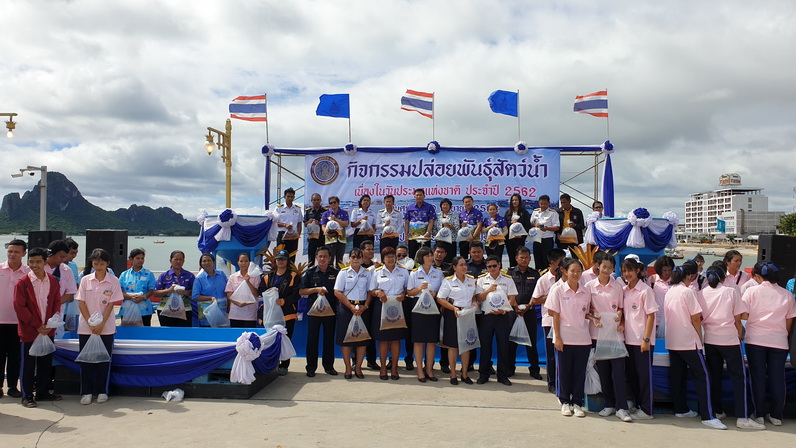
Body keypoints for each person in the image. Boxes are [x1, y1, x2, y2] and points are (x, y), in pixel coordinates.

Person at [697, 266, 764, 430]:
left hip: (710, 340)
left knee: (714, 376)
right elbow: (738, 318)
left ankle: (717, 410)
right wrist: (740, 334)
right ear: (723, 278)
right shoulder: (730, 292)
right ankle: (742, 416)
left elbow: (699, 317)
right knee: (739, 378)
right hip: (729, 340)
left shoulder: (701, 294)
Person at [664, 261, 726, 430]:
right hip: (687, 340)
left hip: (673, 340)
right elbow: (696, 318)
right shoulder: (688, 292)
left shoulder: (670, 291)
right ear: (690, 277)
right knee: (703, 376)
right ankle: (708, 415)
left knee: (677, 375)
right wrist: (700, 339)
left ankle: (680, 409)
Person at [742, 262, 796, 427]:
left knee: (757, 378)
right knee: (778, 379)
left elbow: (744, 315)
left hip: (755, 340)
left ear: (758, 276)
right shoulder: (787, 295)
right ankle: (776, 415)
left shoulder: (751, 291)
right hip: (779, 341)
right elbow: (789, 321)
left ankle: (758, 414)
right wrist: (783, 335)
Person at [586, 256, 631, 422]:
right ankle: (609, 404)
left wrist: (619, 316)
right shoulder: (589, 286)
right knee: (604, 372)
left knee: (618, 372)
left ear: (613, 269)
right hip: (597, 334)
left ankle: (622, 407)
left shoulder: (618, 287)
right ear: (598, 266)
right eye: (604, 267)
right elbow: (587, 308)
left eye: (610, 268)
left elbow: (621, 308)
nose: (606, 270)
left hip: (614, 335)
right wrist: (594, 314)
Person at [13, 247, 61, 408]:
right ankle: (27, 395)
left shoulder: (52, 280)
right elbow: (19, 307)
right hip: (29, 330)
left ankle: (42, 392)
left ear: (45, 262)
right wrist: (37, 325)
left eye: (38, 262)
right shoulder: (23, 282)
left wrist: (50, 323)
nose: (34, 265)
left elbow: (56, 302)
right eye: (31, 262)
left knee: (45, 362)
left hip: (48, 329)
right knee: (28, 364)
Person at [75, 249, 123, 405]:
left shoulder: (113, 281)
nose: (98, 266)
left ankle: (102, 390)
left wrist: (101, 324)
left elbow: (111, 304)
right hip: (86, 327)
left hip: (106, 327)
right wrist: (90, 322)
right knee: (86, 360)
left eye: (102, 263)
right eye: (95, 263)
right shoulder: (85, 280)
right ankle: (86, 392)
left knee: (104, 360)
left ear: (107, 264)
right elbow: (81, 302)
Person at [547, 258, 591, 417]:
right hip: (564, 338)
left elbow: (586, 312)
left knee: (579, 373)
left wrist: (594, 318)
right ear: (565, 271)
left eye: (579, 271)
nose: (576, 274)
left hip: (583, 338)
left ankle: (577, 403)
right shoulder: (558, 290)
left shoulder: (586, 291)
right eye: (573, 271)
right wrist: (558, 337)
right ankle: (565, 401)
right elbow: (555, 315)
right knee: (564, 372)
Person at [620, 257, 658, 421]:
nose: (627, 274)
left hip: (642, 341)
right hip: (628, 340)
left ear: (637, 271)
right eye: (624, 271)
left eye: (630, 270)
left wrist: (646, 339)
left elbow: (651, 316)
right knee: (632, 375)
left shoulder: (645, 290)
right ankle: (638, 405)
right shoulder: (624, 290)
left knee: (644, 376)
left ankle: (647, 410)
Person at [475, 255, 518, 386]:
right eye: (489, 266)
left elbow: (512, 299)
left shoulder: (508, 279)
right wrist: (488, 290)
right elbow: (478, 298)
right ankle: (484, 374)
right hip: (487, 317)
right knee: (485, 347)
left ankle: (502, 375)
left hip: (502, 316)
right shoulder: (482, 280)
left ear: (499, 265)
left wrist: (504, 310)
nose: (492, 268)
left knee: (503, 346)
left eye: (494, 265)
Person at [369, 247, 410, 380]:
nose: (391, 259)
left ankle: (394, 368)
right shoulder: (377, 272)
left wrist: (404, 294)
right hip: (382, 306)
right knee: (383, 340)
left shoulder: (403, 271)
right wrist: (378, 292)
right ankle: (382, 368)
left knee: (395, 339)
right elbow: (371, 290)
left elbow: (408, 288)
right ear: (383, 259)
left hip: (398, 307)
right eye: (388, 257)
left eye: (393, 256)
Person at [258, 249, 300, 375]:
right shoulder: (267, 276)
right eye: (278, 259)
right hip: (270, 314)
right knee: (270, 341)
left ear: (287, 261)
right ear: (275, 261)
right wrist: (270, 293)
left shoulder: (293, 276)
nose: (281, 261)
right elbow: (260, 292)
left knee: (285, 340)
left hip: (287, 314)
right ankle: (272, 364)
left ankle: (284, 365)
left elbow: (296, 294)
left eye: (283, 259)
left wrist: (284, 301)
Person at [437, 256, 477, 385]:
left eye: (465, 264)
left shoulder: (471, 280)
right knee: (453, 345)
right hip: (453, 314)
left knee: (466, 345)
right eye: (461, 265)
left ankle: (464, 374)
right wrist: (453, 308)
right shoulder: (448, 281)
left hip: (467, 314)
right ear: (454, 267)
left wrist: (474, 302)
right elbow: (440, 298)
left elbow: (474, 296)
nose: (464, 267)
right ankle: (453, 374)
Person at [299, 246, 339, 377]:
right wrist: (316, 290)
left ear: (330, 258)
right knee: (312, 339)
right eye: (320, 256)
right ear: (316, 257)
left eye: (325, 256)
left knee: (329, 339)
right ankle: (311, 368)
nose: (322, 259)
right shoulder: (310, 273)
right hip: (314, 312)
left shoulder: (336, 273)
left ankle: (329, 367)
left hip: (330, 312)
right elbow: (302, 291)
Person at [334, 248, 372, 379]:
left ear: (362, 259)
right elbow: (337, 291)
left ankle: (359, 368)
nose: (356, 259)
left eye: (358, 257)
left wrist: (365, 306)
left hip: (362, 309)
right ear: (349, 258)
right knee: (346, 340)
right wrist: (350, 306)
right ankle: (348, 368)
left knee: (362, 340)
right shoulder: (343, 273)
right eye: (353, 257)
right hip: (347, 308)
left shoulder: (367, 273)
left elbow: (370, 291)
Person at [406, 247, 443, 382]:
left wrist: (435, 294)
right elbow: (409, 292)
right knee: (419, 341)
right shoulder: (414, 273)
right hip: (418, 307)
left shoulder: (438, 273)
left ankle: (429, 369)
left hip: (433, 307)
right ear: (421, 258)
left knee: (432, 341)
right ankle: (420, 371)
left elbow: (443, 291)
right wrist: (419, 289)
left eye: (431, 255)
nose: (430, 258)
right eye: (427, 256)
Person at [534, 248, 566, 393]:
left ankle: (564, 382)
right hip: (549, 321)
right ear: (552, 262)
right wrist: (552, 296)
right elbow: (535, 300)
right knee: (552, 355)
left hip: (566, 321)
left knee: (564, 354)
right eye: (561, 262)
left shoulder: (568, 278)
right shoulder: (543, 280)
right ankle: (552, 383)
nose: (564, 264)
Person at [506, 246, 542, 380]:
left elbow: (537, 293)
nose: (524, 260)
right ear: (516, 258)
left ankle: (534, 370)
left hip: (529, 312)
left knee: (531, 343)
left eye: (526, 257)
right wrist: (515, 306)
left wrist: (529, 305)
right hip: (513, 312)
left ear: (530, 258)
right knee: (511, 343)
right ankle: (510, 368)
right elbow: (507, 292)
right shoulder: (510, 273)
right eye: (521, 257)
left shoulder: (535, 274)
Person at [1, 239, 29, 399]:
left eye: (16, 252)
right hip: (0, 320)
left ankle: (12, 386)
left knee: (15, 356)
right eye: (10, 251)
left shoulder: (28, 273)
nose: (12, 255)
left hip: (19, 322)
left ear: (24, 254)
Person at [153, 251, 194, 327]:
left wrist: (184, 292)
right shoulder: (164, 276)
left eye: (180, 259)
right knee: (167, 332)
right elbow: (155, 293)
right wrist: (168, 291)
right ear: (170, 261)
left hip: (184, 310)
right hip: (166, 311)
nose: (178, 261)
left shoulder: (190, 276)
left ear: (183, 261)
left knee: (184, 332)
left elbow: (194, 292)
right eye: (176, 259)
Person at [118, 248, 157, 326]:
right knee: (127, 331)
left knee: (144, 331)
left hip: (144, 310)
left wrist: (143, 297)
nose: (140, 260)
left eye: (142, 258)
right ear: (131, 259)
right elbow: (119, 291)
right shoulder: (124, 275)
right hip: (127, 309)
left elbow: (151, 290)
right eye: (138, 258)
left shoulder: (149, 274)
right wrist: (130, 297)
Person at [192, 253, 229, 327]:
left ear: (214, 262)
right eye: (204, 261)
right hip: (207, 315)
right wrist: (209, 298)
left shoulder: (221, 274)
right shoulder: (199, 279)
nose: (207, 263)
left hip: (223, 313)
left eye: (209, 260)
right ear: (201, 264)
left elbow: (228, 290)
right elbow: (195, 296)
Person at [225, 253, 261, 328]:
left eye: (246, 261)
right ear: (238, 263)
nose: (243, 263)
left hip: (250, 314)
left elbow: (256, 294)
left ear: (249, 263)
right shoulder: (233, 277)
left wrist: (248, 282)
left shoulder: (255, 277)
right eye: (241, 261)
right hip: (235, 314)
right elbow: (229, 294)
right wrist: (238, 303)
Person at [530, 195, 560, 271]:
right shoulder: (535, 211)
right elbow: (531, 223)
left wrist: (546, 228)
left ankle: (547, 275)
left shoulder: (553, 213)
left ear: (549, 203)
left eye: (545, 204)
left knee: (547, 261)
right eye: (541, 204)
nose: (543, 205)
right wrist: (535, 225)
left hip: (547, 239)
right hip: (537, 238)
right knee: (537, 260)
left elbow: (557, 227)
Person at [404, 188, 436, 258]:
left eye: (420, 195)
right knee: (412, 255)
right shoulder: (409, 207)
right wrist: (406, 235)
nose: (419, 197)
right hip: (412, 237)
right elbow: (406, 222)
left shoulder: (429, 207)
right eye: (417, 195)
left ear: (424, 196)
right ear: (414, 196)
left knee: (425, 255)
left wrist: (427, 232)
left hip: (425, 236)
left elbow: (431, 221)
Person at [649, 255, 675, 339]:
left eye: (669, 270)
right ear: (659, 269)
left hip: (672, 320)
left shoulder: (675, 280)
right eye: (664, 270)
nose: (667, 273)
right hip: (655, 320)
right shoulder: (652, 280)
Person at [275, 187, 303, 263]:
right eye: (288, 196)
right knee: (281, 256)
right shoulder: (279, 208)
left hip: (293, 236)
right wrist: (284, 225)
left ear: (294, 197)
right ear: (284, 197)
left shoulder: (297, 209)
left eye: (292, 197)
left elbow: (299, 223)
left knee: (292, 257)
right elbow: (275, 223)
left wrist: (298, 235)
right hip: (282, 235)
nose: (290, 198)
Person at [321, 196, 349, 267]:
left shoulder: (344, 213)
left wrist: (335, 219)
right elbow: (323, 226)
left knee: (339, 260)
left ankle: (339, 273)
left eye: (334, 202)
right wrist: (326, 232)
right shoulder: (326, 214)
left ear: (338, 203)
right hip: (330, 239)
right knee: (329, 260)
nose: (333, 204)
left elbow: (346, 224)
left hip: (341, 239)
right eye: (331, 203)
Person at [504, 194, 532, 268]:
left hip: (519, 239)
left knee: (520, 257)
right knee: (511, 257)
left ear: (519, 201)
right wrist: (510, 222)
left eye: (516, 200)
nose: (514, 202)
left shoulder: (524, 212)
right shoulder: (508, 212)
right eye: (513, 200)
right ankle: (512, 272)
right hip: (509, 239)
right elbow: (504, 225)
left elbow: (528, 226)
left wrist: (522, 235)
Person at [432, 198, 459, 263]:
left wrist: (449, 225)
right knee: (439, 258)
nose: (445, 206)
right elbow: (433, 229)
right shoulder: (437, 216)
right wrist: (438, 236)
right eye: (444, 205)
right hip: (440, 241)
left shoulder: (454, 216)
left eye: (447, 205)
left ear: (450, 206)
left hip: (450, 241)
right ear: (441, 206)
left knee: (450, 259)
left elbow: (457, 228)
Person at [303, 193, 327, 266]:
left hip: (322, 238)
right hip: (312, 238)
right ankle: (311, 271)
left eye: (318, 200)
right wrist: (309, 222)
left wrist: (319, 223)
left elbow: (328, 224)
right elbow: (305, 224)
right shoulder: (308, 211)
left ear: (320, 200)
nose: (316, 201)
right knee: (311, 258)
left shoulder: (325, 211)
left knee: (322, 257)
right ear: (311, 201)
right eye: (314, 200)